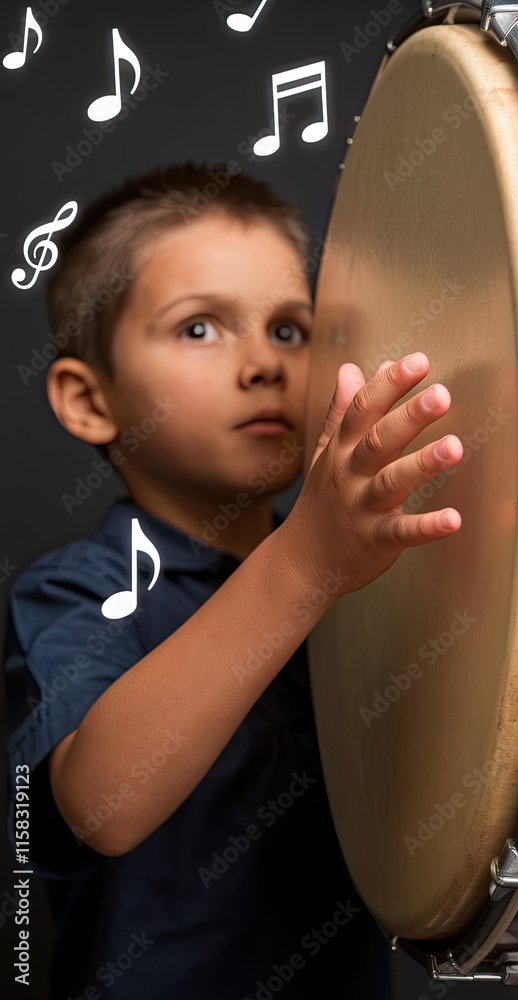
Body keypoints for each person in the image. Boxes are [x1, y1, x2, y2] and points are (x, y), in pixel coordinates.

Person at [3, 161, 463, 999]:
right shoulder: (78, 589)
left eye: (289, 330)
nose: (263, 364)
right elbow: (96, 805)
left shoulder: (354, 575)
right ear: (88, 400)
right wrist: (306, 565)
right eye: (199, 329)